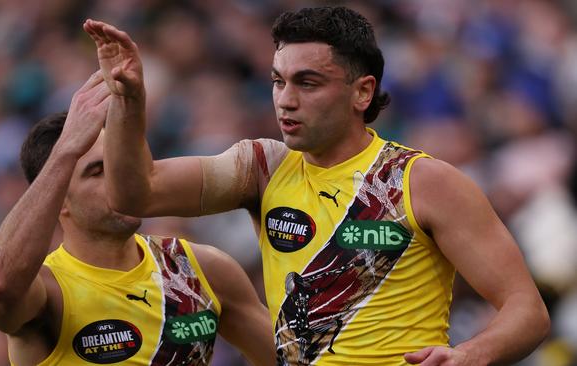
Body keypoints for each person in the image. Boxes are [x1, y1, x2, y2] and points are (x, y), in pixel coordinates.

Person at [87, 6, 550, 365]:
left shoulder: (423, 181)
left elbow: (526, 311)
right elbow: (134, 193)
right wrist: (130, 101)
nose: (286, 100)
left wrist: (470, 355)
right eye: (277, 81)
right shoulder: (263, 168)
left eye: (308, 83)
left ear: (362, 92)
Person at [0, 70, 275, 365]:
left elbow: (290, 359)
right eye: (97, 171)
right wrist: (66, 150)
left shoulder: (201, 270)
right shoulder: (48, 292)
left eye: (119, 164)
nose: (118, 179)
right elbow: (0, 287)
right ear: (58, 201)